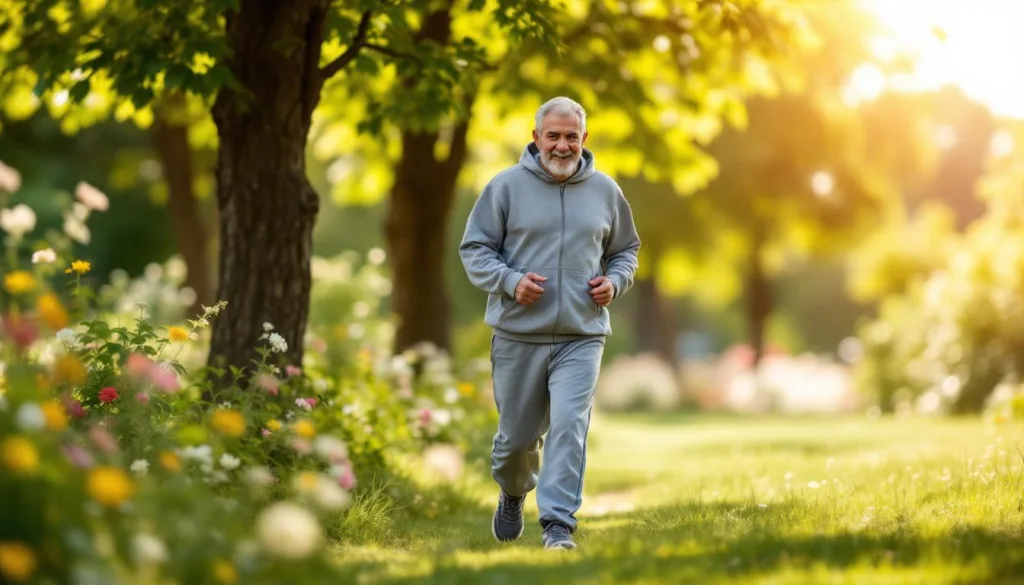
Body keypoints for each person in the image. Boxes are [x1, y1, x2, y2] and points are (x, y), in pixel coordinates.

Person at [458, 96, 641, 550]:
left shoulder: (606, 191)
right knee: (516, 441)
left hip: (583, 334)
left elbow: (626, 251)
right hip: (519, 334)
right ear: (536, 137)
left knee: (568, 423)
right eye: (554, 136)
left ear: (584, 139)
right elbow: (475, 248)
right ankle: (513, 490)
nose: (562, 146)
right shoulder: (504, 187)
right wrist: (509, 281)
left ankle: (559, 525)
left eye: (571, 136)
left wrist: (614, 283)